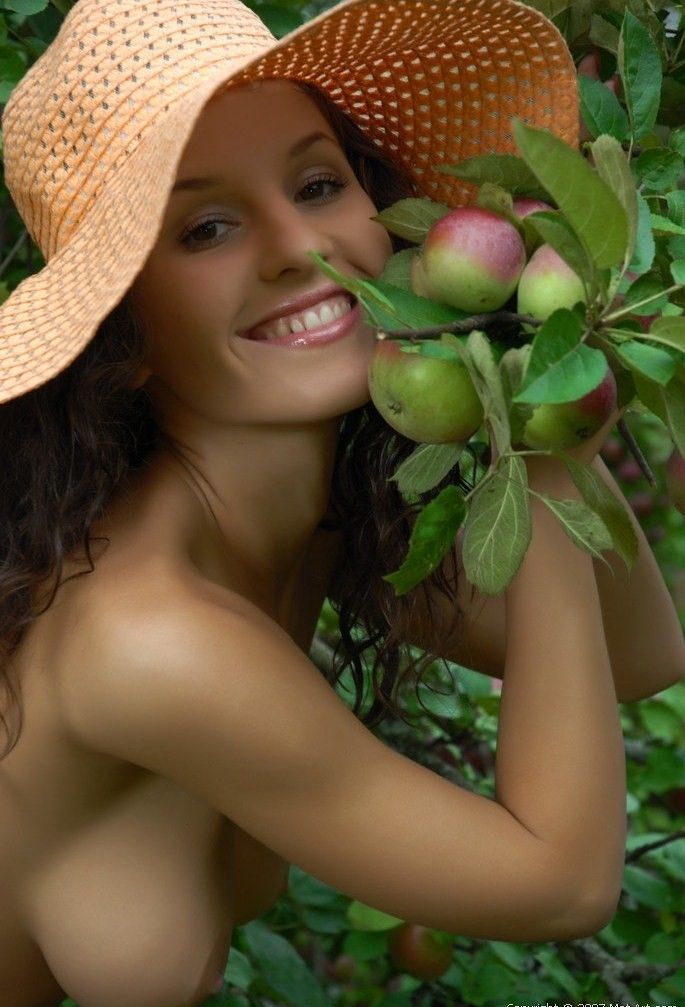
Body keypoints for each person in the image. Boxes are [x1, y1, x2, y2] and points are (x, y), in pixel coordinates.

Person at [0, 1, 682, 1005]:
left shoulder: (308, 523)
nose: (291, 245)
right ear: (123, 333)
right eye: (206, 227)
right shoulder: (147, 634)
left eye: (318, 184)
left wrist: (546, 367)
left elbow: (640, 655)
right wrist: (524, 436)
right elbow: (560, 880)